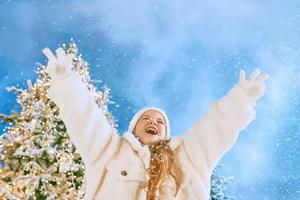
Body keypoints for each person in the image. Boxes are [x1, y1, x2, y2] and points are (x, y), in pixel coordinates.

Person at [43, 47, 269, 200]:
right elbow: (85, 118)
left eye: (160, 121)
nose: (153, 122)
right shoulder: (110, 150)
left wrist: (242, 97)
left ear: (166, 132)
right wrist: (66, 81)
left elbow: (216, 126)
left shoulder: (189, 155)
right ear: (133, 128)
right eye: (146, 119)